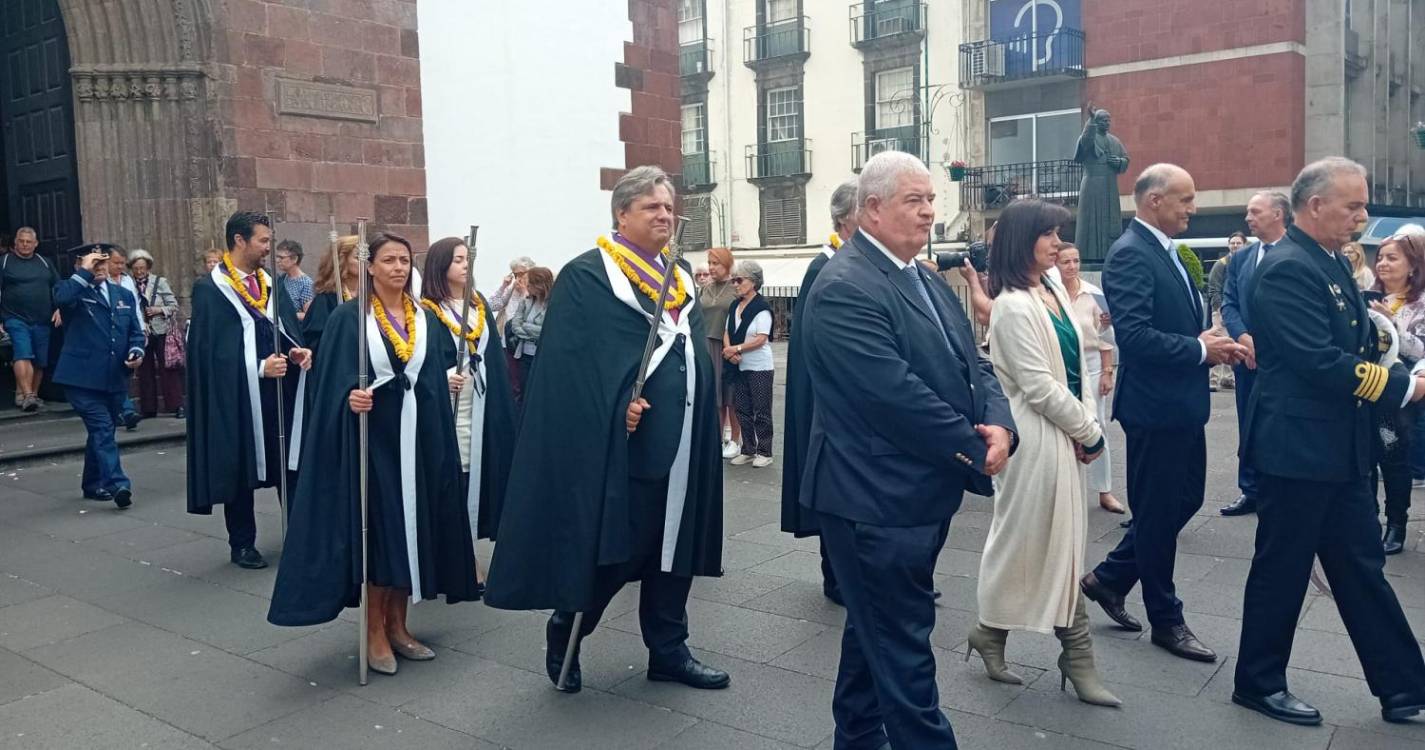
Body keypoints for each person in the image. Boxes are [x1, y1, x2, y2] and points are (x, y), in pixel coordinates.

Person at [485, 166, 728, 694]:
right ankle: (567, 630)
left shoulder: (678, 274)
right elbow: (570, 370)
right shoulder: (588, 275)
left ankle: (668, 649)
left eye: (668, 207)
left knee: (673, 549)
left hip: (683, 439)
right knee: (619, 549)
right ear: (622, 214)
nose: (664, 215)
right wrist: (616, 406)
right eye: (651, 208)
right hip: (622, 446)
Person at [800, 152, 1015, 748]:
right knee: (903, 649)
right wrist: (973, 447)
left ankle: (858, 738)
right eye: (913, 201)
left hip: (915, 495)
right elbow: (893, 396)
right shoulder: (845, 285)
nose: (929, 212)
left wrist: (1000, 424)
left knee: (872, 638)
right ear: (871, 209)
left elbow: (974, 365)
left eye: (930, 200)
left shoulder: (920, 276)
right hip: (873, 501)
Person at [1234, 157, 1425, 727]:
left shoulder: (1329, 262)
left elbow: (1360, 339)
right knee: (1282, 569)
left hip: (1338, 449)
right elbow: (1319, 361)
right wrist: (1404, 389)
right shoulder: (1289, 268)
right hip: (1296, 451)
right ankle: (1257, 683)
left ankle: (1404, 686)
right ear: (1315, 205)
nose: (1364, 217)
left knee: (1360, 565)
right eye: (1355, 206)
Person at [268, 232, 480, 675]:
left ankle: (400, 625)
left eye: (404, 260)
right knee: (381, 533)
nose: (399, 268)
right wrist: (350, 396)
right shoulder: (350, 318)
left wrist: (443, 383)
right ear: (369, 267)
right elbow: (330, 382)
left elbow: (429, 372)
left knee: (412, 531)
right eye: (388, 260)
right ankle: (374, 631)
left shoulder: (425, 318)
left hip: (419, 440)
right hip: (374, 442)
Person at [1080, 164, 1246, 665]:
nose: (1192, 208)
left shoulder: (1169, 251)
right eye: (1185, 199)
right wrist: (1200, 349)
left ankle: (1109, 579)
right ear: (1154, 201)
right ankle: (1165, 619)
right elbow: (1134, 336)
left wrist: (1208, 344)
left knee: (1183, 500)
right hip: (1155, 407)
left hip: (1180, 404)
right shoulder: (1131, 253)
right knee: (1159, 511)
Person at [971, 200, 1118, 707]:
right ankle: (1073, 655)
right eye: (1049, 234)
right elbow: (1037, 387)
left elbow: (1075, 365)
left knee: (1057, 543)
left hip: (1063, 432)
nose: (1058, 243)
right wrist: (1091, 431)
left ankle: (995, 635)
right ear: (1021, 241)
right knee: (1030, 542)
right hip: (1033, 443)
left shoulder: (1050, 287)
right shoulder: (1012, 305)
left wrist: (1084, 427)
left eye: (1058, 234)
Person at [186, 211, 312, 570]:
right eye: (263, 241)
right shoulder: (211, 289)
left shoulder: (268, 282)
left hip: (278, 391)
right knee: (239, 467)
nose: (268, 248)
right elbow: (209, 354)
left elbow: (282, 326)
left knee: (289, 462)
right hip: (238, 397)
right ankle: (242, 544)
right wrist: (257, 368)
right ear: (239, 241)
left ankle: (300, 535)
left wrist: (294, 349)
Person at [419, 236, 517, 585]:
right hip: (451, 407)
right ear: (441, 265)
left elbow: (494, 355)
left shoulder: (478, 306)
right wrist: (442, 376)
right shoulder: (428, 311)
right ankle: (459, 560)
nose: (465, 265)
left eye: (467, 259)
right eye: (458, 259)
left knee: (481, 474)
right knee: (455, 478)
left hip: (484, 404)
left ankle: (470, 550)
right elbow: (421, 360)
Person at [783, 178, 857, 605]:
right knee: (834, 491)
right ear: (848, 220)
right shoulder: (824, 265)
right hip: (825, 403)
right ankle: (836, 577)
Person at [52, 244, 146, 509]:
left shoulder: (123, 294)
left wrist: (136, 351)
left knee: (101, 432)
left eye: (104, 261)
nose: (100, 267)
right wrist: (83, 273)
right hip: (81, 379)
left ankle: (92, 483)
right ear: (80, 266)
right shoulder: (74, 292)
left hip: (114, 377)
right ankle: (117, 484)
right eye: (94, 262)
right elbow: (60, 299)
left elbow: (135, 332)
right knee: (103, 429)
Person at [1219, 192, 1292, 518]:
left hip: (1286, 362)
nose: (1248, 218)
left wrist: (1267, 346)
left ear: (1278, 214)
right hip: (1247, 359)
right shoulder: (1241, 258)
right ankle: (1249, 489)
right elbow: (1229, 302)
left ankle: (1281, 490)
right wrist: (1245, 339)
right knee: (1248, 424)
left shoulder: (1298, 254)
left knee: (1282, 426)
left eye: (1255, 211)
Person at [1369, 227, 1425, 555]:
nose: (1383, 264)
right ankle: (1368, 520)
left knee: (1394, 458)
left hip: (1401, 396)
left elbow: (1420, 351)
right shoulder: (1366, 296)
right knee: (1365, 459)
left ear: (1413, 266)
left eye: (1392, 258)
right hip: (1366, 387)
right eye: (1380, 258)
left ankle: (1397, 524)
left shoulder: (1419, 305)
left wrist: (1392, 324)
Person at [1057, 242, 1123, 514]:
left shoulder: (1093, 294)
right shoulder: (1051, 293)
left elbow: (1104, 339)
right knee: (1063, 427)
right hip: (1062, 364)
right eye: (1066, 262)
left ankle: (1104, 490)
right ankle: (1065, 490)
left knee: (1098, 427)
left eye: (1076, 261)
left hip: (1093, 363)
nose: (1072, 267)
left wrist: (1108, 372)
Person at [1, 227, 59, 412]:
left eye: (29, 241)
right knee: (23, 353)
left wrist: (60, 309)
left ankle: (32, 395)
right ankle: (27, 395)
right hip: (15, 318)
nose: (25, 244)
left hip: (42, 319)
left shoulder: (45, 262)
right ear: (15, 242)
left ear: (36, 244)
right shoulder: (4, 262)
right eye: (21, 241)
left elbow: (57, 287)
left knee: (40, 361)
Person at [723, 260, 774, 467]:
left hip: (759, 367)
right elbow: (727, 331)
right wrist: (729, 351)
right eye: (734, 280)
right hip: (739, 365)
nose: (735, 284)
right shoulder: (735, 305)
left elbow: (761, 338)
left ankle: (765, 451)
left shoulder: (762, 308)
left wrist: (737, 349)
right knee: (742, 408)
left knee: (761, 410)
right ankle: (748, 449)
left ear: (752, 282)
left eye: (739, 280)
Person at [128, 250, 184, 418]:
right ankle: (148, 408)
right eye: (136, 268)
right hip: (142, 331)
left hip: (161, 330)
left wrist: (159, 309)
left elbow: (173, 305)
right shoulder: (128, 283)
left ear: (148, 267)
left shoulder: (159, 282)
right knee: (144, 370)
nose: (139, 272)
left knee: (168, 369)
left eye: (142, 268)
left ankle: (176, 406)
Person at [698, 247, 741, 457]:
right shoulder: (705, 288)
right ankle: (716, 436)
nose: (711, 267)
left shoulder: (735, 288)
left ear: (727, 265)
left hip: (728, 344)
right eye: (710, 263)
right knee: (713, 393)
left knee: (730, 394)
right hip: (707, 343)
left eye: (716, 263)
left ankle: (735, 439)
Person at [1074, 109, 1131, 261]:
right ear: (1096, 122)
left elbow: (1126, 159)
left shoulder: (1115, 141)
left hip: (1110, 185)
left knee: (1110, 222)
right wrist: (1090, 121)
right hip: (1092, 183)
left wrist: (1118, 162)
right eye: (1103, 120)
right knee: (1089, 221)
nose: (1107, 123)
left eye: (1108, 120)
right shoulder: (1089, 136)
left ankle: (1109, 255)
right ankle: (1088, 256)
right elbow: (1086, 142)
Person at [304, 235, 359, 360]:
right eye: (358, 257)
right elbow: (314, 341)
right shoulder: (326, 299)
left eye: (367, 257)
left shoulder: (373, 295)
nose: (365, 262)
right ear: (343, 260)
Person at [505, 266, 550, 406]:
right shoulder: (525, 301)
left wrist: (526, 326)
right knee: (523, 392)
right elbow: (515, 326)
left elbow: (547, 331)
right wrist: (533, 332)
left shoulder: (553, 304)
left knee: (540, 395)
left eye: (530, 284)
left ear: (540, 285)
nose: (527, 287)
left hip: (542, 357)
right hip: (524, 355)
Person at [1207, 232, 1246, 392]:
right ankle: (1213, 380)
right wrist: (1219, 310)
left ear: (1244, 244)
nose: (1235, 245)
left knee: (1233, 343)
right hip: (1221, 311)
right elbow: (1213, 288)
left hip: (1238, 311)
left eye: (1238, 243)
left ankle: (1228, 379)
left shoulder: (1246, 262)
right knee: (1218, 342)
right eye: (1233, 243)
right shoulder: (1221, 264)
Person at [275, 240, 314, 319]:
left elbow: (309, 315)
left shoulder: (306, 284)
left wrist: (285, 316)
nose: (277, 260)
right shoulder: (282, 278)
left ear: (294, 259)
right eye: (277, 257)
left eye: (281, 257)